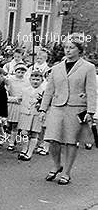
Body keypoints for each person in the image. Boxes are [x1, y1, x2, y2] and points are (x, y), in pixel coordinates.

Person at [39, 35, 96, 185]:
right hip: (57, 106)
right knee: (52, 138)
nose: (68, 50)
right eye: (66, 47)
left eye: (72, 47)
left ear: (79, 49)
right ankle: (57, 165)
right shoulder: (56, 68)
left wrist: (90, 111)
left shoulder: (88, 68)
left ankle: (66, 172)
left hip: (76, 108)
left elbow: (91, 90)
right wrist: (43, 109)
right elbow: (49, 90)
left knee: (71, 141)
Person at [17, 70, 45, 161]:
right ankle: (24, 149)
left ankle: (29, 153)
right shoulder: (25, 90)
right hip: (25, 113)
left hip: (36, 114)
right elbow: (19, 99)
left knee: (34, 134)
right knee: (24, 133)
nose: (35, 81)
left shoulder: (44, 91)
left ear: (42, 80)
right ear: (30, 79)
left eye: (38, 79)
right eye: (33, 79)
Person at [5, 63, 29, 151]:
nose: (20, 73)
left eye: (23, 71)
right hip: (11, 103)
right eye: (18, 71)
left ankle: (12, 142)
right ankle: (10, 139)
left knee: (16, 124)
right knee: (9, 124)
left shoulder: (27, 81)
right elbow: (6, 89)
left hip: (21, 104)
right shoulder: (10, 80)